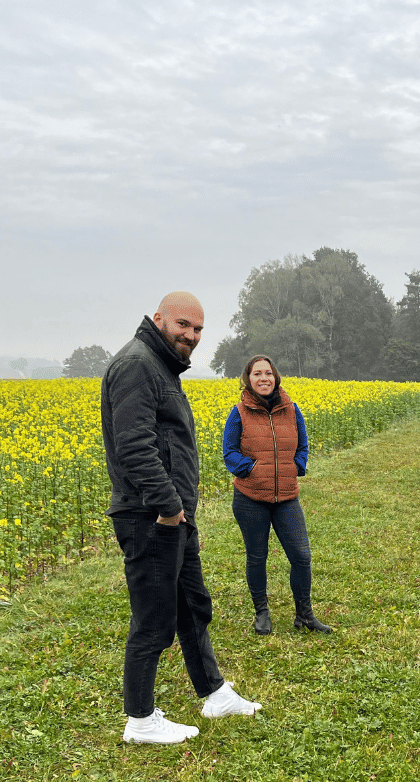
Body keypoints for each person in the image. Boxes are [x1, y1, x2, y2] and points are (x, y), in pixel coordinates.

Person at [101, 291, 262, 745]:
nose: (190, 336)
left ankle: (214, 692)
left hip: (173, 516)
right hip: (150, 515)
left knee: (193, 608)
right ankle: (140, 719)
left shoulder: (161, 366)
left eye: (197, 330)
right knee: (153, 618)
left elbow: (168, 446)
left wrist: (184, 516)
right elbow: (136, 448)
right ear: (159, 319)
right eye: (183, 325)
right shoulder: (137, 364)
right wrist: (171, 509)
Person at [222, 355, 332, 635]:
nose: (263, 378)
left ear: (275, 377)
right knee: (257, 557)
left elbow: (303, 446)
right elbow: (230, 453)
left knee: (301, 556)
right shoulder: (239, 412)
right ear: (248, 379)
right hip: (250, 498)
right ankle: (262, 613)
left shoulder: (292, 410)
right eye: (257, 373)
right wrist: (252, 469)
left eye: (268, 373)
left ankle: (304, 615)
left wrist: (297, 466)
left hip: (287, 496)